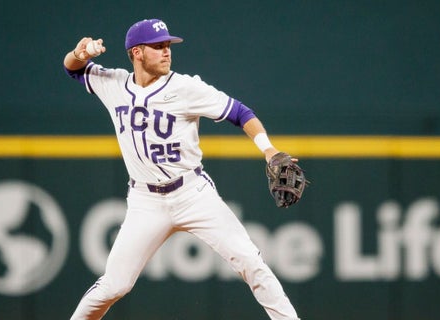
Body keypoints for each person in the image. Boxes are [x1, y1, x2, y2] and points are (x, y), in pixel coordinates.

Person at [63, 18, 300, 320]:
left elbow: (240, 112)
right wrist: (80, 53)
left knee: (250, 261)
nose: (167, 52)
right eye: (158, 46)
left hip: (192, 193)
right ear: (136, 52)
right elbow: (72, 68)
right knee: (114, 285)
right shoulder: (114, 83)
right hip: (145, 201)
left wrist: (268, 149)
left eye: (168, 46)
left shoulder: (186, 87)